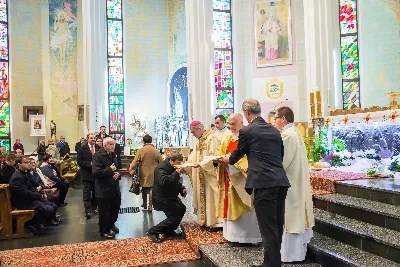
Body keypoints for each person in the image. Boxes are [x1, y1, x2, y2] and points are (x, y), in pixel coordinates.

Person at [223, 99, 290, 267]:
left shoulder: (247, 131)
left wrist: (228, 159)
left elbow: (236, 156)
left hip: (263, 184)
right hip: (280, 182)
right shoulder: (274, 130)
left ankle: (272, 265)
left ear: (246, 112)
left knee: (268, 229)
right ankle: (272, 262)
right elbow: (280, 156)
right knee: (276, 225)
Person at [210, 114, 262, 244]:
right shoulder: (227, 139)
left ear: (241, 122)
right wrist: (219, 159)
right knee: (230, 206)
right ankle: (232, 236)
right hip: (229, 178)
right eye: (229, 124)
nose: (231, 127)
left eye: (234, 124)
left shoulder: (248, 138)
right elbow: (219, 152)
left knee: (246, 208)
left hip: (243, 180)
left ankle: (248, 238)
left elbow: (250, 158)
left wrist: (233, 163)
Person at [274, 107, 314, 262]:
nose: (275, 121)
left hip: (290, 183)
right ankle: (294, 253)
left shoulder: (287, 135)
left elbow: (281, 161)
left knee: (291, 217)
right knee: (294, 216)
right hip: (294, 181)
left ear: (283, 119)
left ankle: (291, 255)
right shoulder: (294, 132)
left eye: (276, 117)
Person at [183, 121, 222, 230]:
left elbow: (215, 157)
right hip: (201, 175)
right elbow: (192, 157)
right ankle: (205, 221)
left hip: (210, 175)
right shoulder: (199, 141)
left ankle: (215, 222)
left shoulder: (212, 138)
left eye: (193, 132)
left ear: (199, 129)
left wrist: (201, 164)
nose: (193, 134)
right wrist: (184, 165)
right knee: (204, 197)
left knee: (211, 197)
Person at [147, 150, 187, 243]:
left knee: (181, 209)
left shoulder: (172, 166)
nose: (179, 164)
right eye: (178, 162)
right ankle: (153, 231)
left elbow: (176, 182)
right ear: (171, 160)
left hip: (170, 196)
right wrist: (177, 173)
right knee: (174, 216)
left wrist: (182, 188)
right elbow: (164, 182)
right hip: (162, 197)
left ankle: (168, 231)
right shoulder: (161, 168)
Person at [9, 157, 56, 235]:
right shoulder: (17, 177)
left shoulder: (26, 173)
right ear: (19, 164)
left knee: (53, 205)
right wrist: (39, 196)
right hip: (24, 202)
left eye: (29, 162)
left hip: (31, 198)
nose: (28, 163)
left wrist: (38, 191)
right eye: (25, 162)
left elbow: (35, 184)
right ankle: (33, 225)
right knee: (48, 209)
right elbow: (25, 193)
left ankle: (41, 223)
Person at [92, 137, 121, 239]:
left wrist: (118, 174)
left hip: (114, 187)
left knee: (115, 209)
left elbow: (117, 168)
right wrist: (110, 170)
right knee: (104, 212)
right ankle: (104, 230)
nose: (114, 146)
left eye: (114, 144)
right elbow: (96, 172)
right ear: (105, 146)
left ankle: (111, 224)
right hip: (103, 189)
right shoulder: (97, 156)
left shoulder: (113, 154)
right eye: (111, 144)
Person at [129, 134, 162, 212]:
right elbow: (161, 162)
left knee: (144, 187)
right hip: (153, 173)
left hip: (143, 173)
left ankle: (144, 204)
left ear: (143, 141)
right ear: (151, 141)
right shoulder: (156, 150)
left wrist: (131, 170)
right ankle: (150, 206)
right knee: (151, 188)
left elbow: (134, 162)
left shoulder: (141, 150)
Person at [77, 133, 98, 219]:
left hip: (96, 174)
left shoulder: (98, 148)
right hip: (86, 175)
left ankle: (94, 208)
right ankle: (88, 210)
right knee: (87, 193)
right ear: (87, 139)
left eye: (94, 138)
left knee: (96, 193)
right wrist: (90, 164)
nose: (93, 139)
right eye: (91, 138)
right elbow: (79, 161)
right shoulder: (82, 148)